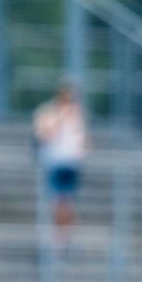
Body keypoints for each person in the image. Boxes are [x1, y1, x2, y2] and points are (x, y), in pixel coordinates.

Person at [33, 79, 88, 241]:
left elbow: (82, 140)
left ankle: (66, 236)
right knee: (58, 201)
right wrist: (61, 117)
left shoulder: (77, 114)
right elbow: (44, 135)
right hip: (55, 161)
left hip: (72, 162)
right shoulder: (49, 112)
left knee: (68, 202)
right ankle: (58, 236)